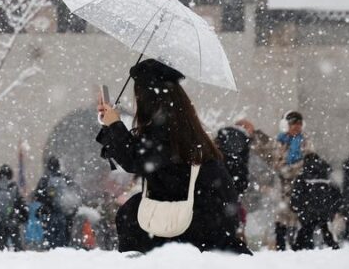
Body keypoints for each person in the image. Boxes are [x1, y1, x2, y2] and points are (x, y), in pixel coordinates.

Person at [96, 59, 249, 255]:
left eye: (139, 93)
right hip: (210, 208)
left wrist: (115, 126)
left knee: (132, 217)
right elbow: (140, 154)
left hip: (201, 214)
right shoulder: (177, 120)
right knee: (134, 214)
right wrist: (112, 123)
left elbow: (135, 159)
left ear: (148, 95)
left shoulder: (164, 126)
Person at [273, 111, 313, 250]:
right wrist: (287, 170)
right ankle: (281, 247)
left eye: (299, 123)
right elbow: (277, 164)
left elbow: (308, 163)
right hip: (283, 189)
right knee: (281, 218)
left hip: (301, 188)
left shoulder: (305, 141)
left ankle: (297, 248)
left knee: (297, 218)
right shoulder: (280, 141)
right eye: (293, 123)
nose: (297, 126)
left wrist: (289, 170)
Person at [290, 153, 340, 250]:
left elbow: (296, 194)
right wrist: (333, 209)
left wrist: (296, 207)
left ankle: (302, 251)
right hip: (325, 211)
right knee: (326, 232)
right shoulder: (327, 174)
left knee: (305, 232)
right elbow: (337, 194)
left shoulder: (303, 175)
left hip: (307, 211)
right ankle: (334, 249)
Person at [33, 155, 77, 249]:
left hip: (49, 213)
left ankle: (51, 251)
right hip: (64, 214)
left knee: (50, 238)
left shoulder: (45, 179)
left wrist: (46, 203)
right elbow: (75, 194)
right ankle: (63, 250)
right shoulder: (66, 178)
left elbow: (37, 196)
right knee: (64, 238)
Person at [0, 164, 27, 251]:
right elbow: (20, 202)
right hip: (12, 220)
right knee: (17, 244)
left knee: (2, 246)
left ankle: (2, 260)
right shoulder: (13, 187)